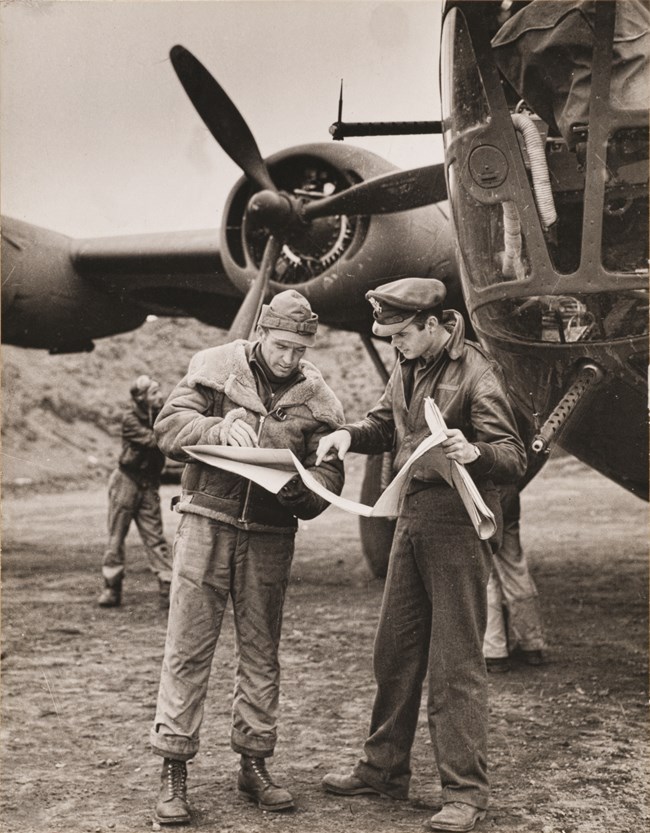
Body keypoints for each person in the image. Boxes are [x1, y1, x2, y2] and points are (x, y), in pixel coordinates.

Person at [315, 277, 526, 833]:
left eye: (402, 334)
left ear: (434, 325)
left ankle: (465, 794)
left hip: (458, 525)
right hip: (411, 517)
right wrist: (349, 437)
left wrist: (474, 450)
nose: (394, 345)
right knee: (395, 651)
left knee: (454, 663)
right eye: (388, 337)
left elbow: (512, 456)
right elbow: (387, 422)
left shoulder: (478, 372)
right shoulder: (409, 363)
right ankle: (383, 770)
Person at [149, 289, 345, 825]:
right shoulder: (214, 370)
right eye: (281, 346)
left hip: (269, 535)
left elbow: (329, 473)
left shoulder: (317, 397)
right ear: (261, 334)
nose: (289, 359)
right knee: (188, 649)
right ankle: (173, 768)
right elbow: (167, 428)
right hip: (205, 525)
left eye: (299, 350)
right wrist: (214, 428)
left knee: (261, 653)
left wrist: (300, 490)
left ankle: (254, 763)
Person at [98, 375, 172, 610]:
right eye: (153, 393)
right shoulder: (130, 418)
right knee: (116, 537)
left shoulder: (162, 414)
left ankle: (167, 587)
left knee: (155, 537)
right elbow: (154, 441)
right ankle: (111, 587)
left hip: (149, 484)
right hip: (126, 481)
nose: (159, 396)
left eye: (159, 391)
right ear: (141, 398)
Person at [483, 485, 545, 672]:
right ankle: (532, 644)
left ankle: (494, 651)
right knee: (515, 568)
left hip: (481, 495)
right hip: (508, 492)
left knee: (486, 574)